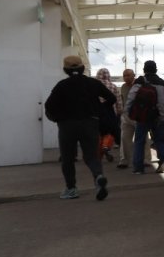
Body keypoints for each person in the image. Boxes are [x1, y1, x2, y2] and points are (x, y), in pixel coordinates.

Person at [44, 55, 113, 200]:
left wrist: (57, 118)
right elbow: (111, 98)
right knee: (91, 156)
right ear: (82, 68)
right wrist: (98, 109)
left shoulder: (61, 85)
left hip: (67, 126)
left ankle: (71, 189)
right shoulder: (93, 83)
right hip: (90, 123)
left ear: (65, 70)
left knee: (68, 158)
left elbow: (49, 106)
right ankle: (98, 177)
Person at [126, 60, 164, 174]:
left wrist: (129, 111)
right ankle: (162, 161)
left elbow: (131, 97)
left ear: (144, 70)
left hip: (143, 116)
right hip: (159, 117)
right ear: (156, 70)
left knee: (139, 141)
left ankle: (138, 168)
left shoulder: (141, 81)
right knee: (160, 140)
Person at [95, 68, 119, 162]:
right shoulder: (113, 86)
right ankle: (106, 146)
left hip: (96, 112)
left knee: (98, 133)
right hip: (110, 113)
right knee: (109, 132)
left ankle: (98, 156)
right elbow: (118, 101)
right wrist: (119, 111)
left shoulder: (94, 85)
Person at [117, 68, 136, 169]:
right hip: (126, 116)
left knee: (143, 139)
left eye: (128, 75)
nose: (126, 77)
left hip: (138, 116)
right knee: (124, 138)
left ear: (134, 75)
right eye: (124, 75)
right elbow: (122, 100)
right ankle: (124, 160)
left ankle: (145, 159)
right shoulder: (123, 87)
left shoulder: (138, 86)